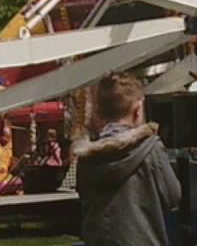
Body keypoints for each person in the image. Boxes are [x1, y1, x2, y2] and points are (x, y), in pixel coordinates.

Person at [74, 72, 181, 246]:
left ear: (100, 111)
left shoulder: (86, 157)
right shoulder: (151, 149)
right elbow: (173, 197)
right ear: (138, 110)